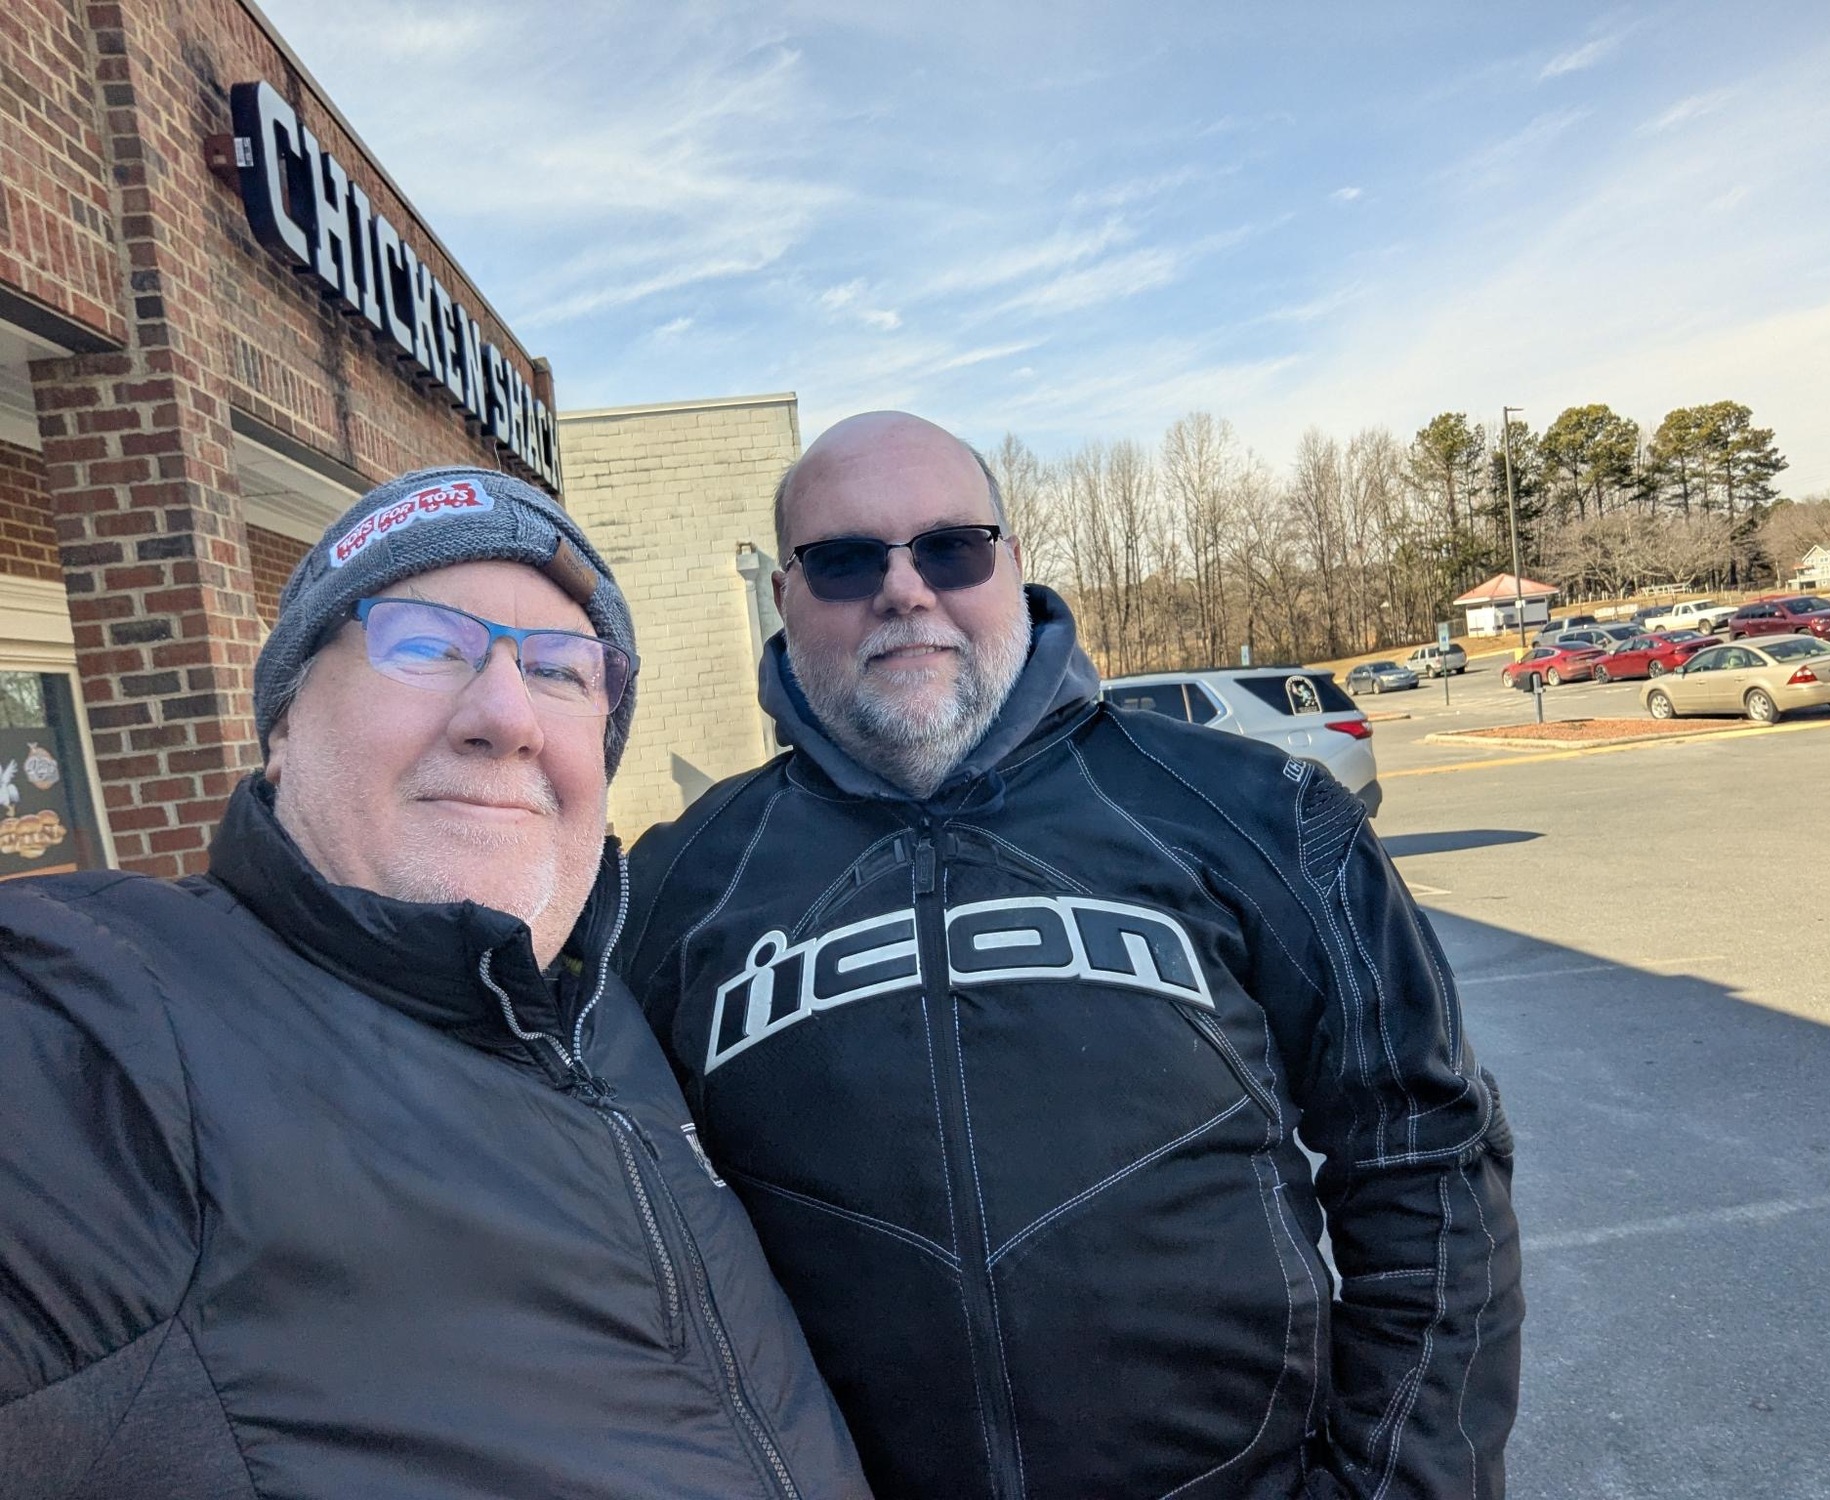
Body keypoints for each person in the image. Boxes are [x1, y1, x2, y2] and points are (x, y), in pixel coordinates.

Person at [618, 412, 1525, 1500]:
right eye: (845, 559)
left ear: (1012, 561)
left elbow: (1424, 1159)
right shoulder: (675, 884)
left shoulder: (1252, 815)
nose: (904, 592)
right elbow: (618, 1248)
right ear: (785, 596)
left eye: (949, 547)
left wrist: (1400, 1485)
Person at [0, 468, 870, 1499]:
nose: (505, 714)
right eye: (423, 644)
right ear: (282, 726)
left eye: (560, 670)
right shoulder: (118, 1029)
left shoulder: (601, 1013)